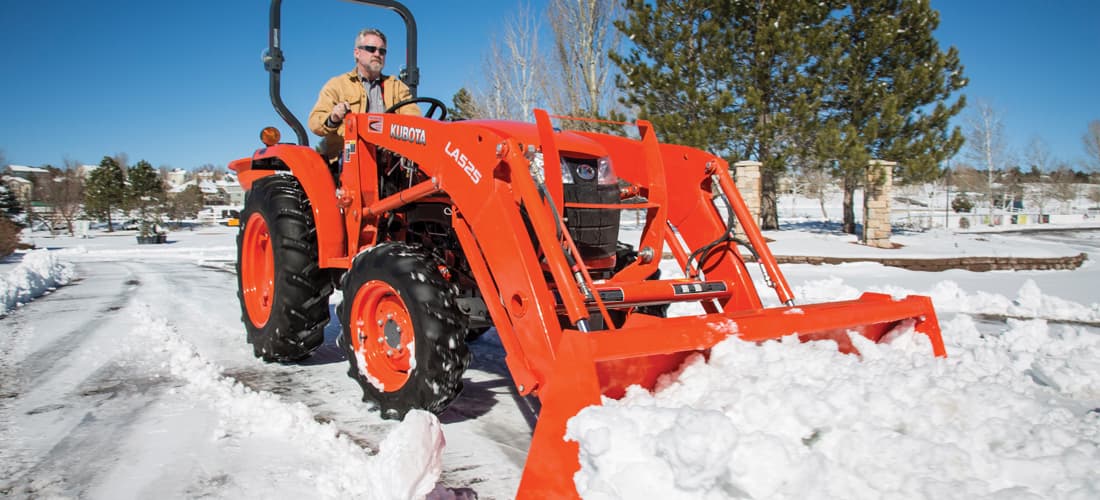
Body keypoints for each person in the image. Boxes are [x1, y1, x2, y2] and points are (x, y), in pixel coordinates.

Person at [309, 28, 421, 160]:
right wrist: (333, 118)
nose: (377, 54)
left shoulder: (396, 87)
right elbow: (315, 123)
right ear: (357, 53)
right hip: (347, 161)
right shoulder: (337, 85)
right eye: (371, 49)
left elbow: (415, 122)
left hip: (390, 163)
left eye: (382, 51)